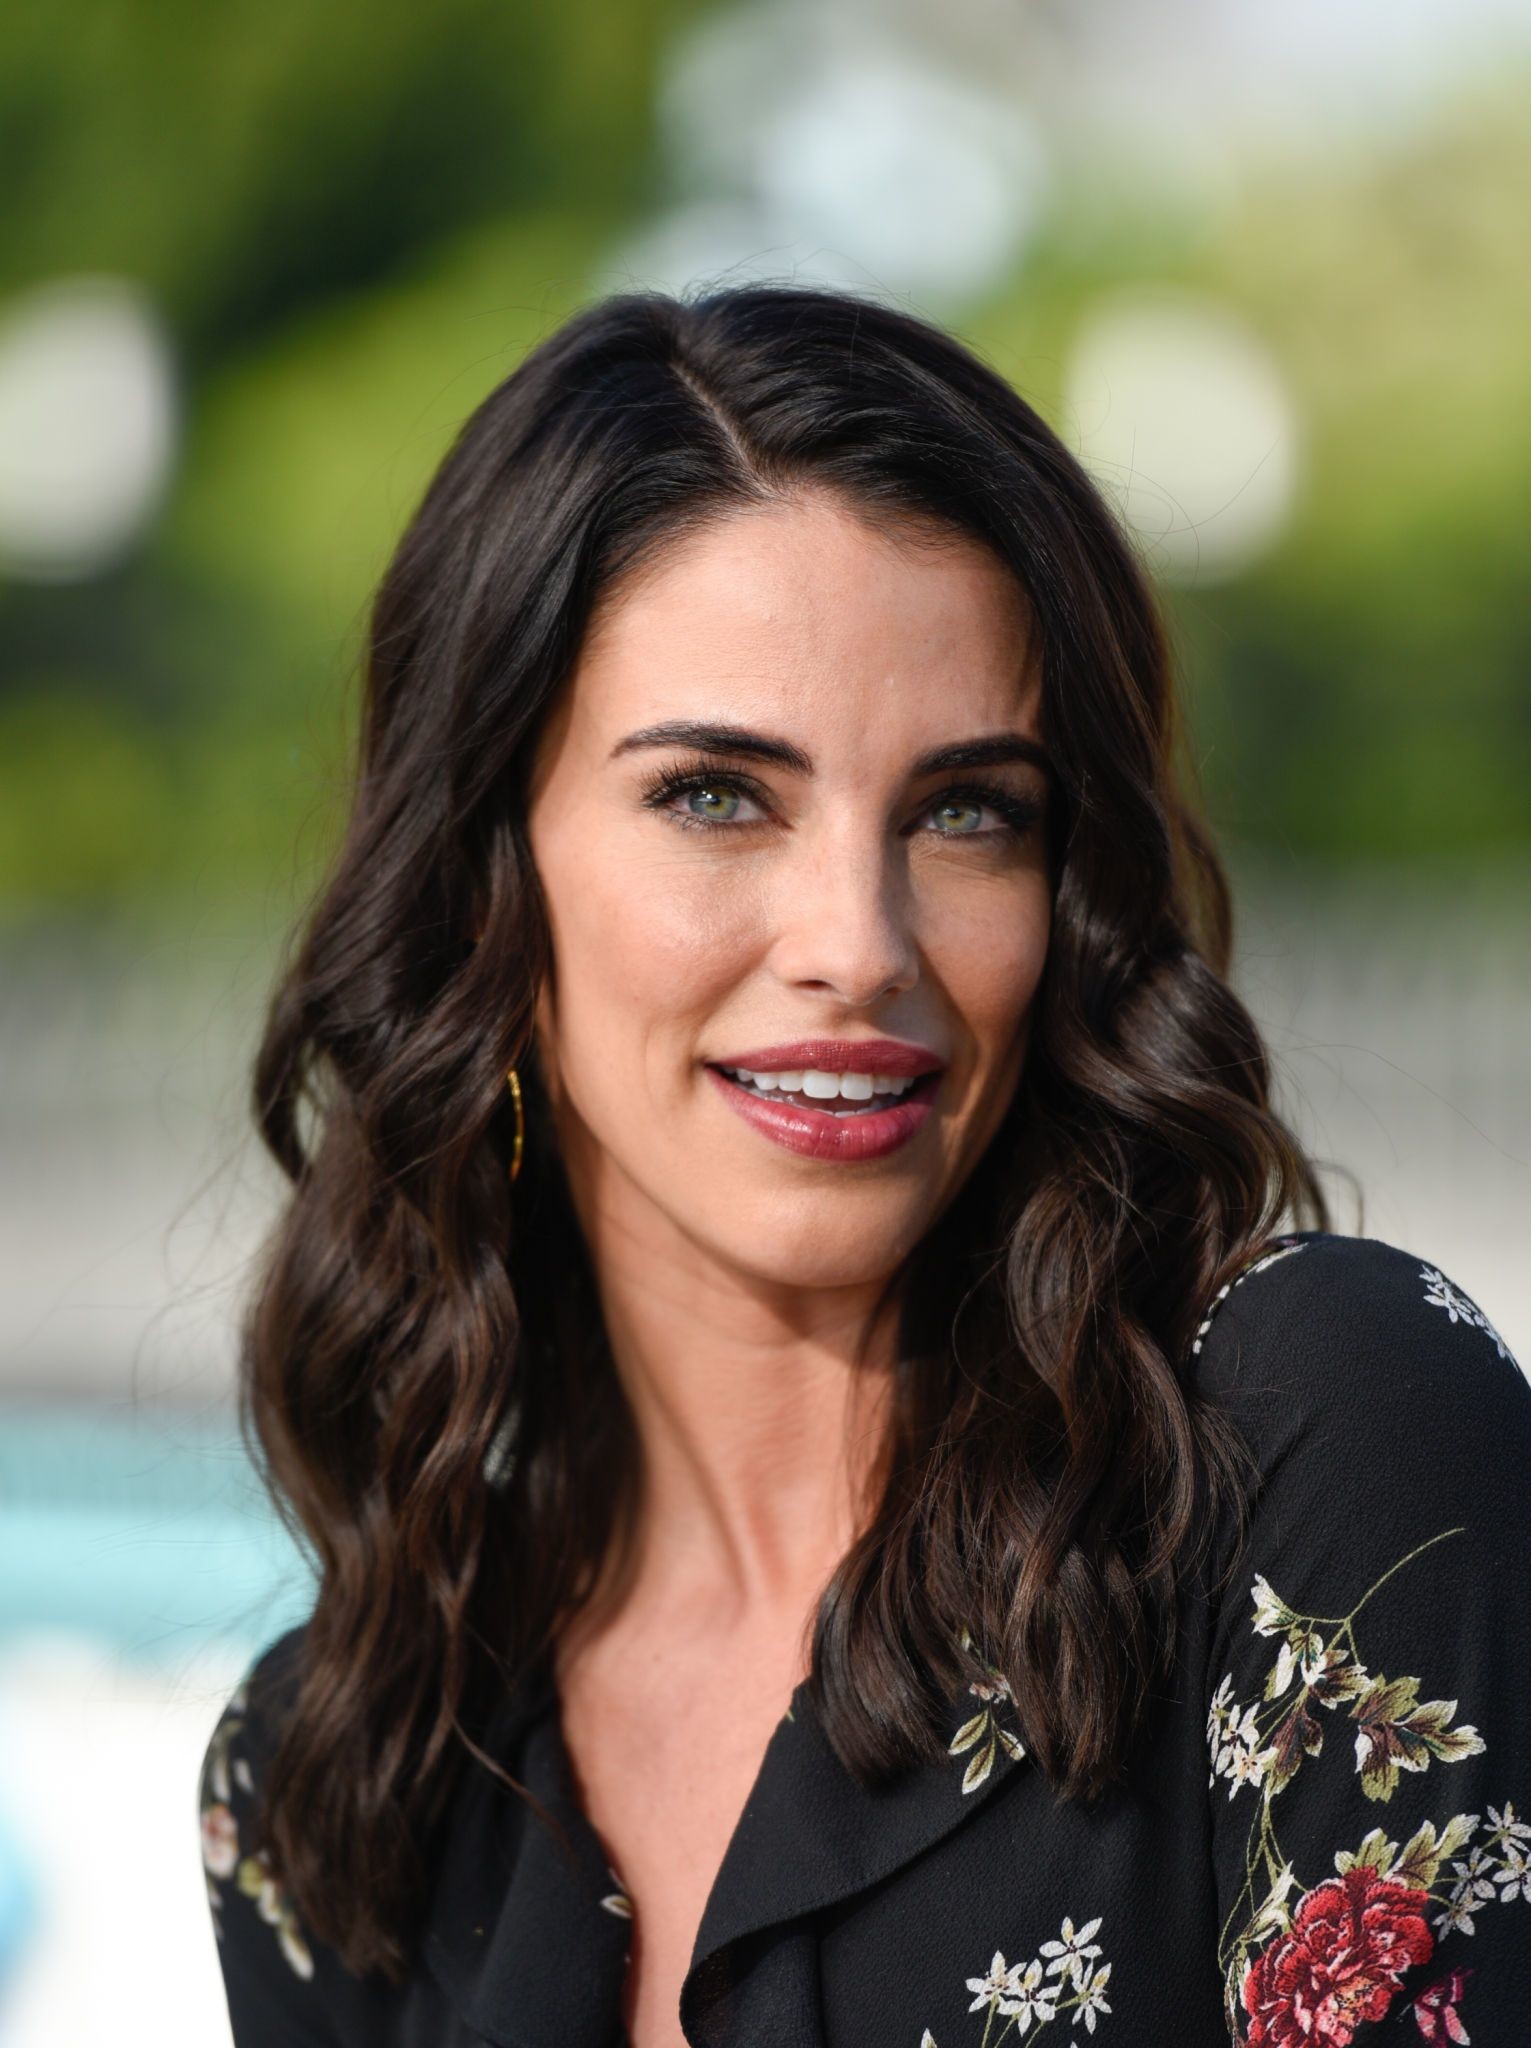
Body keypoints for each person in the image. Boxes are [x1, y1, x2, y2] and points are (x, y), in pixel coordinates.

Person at [196, 283, 1531, 2048]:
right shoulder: (340, 1779)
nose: (859, 943)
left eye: (968, 810)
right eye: (715, 794)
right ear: (480, 884)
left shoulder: (1308, 1451)